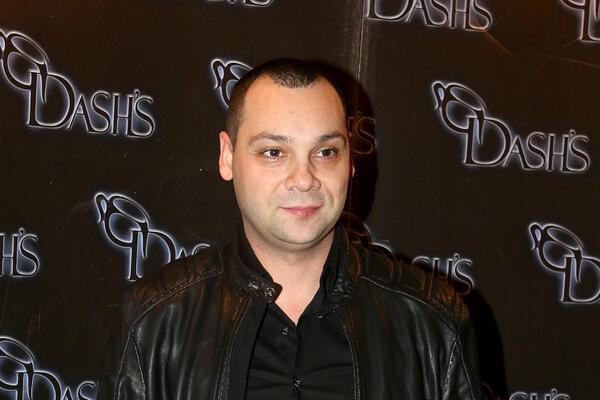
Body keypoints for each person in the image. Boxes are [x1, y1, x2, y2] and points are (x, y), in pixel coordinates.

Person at [99, 59, 482, 399]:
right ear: (227, 157)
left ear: (350, 160)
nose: (304, 178)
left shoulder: (433, 321)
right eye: (274, 152)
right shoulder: (154, 322)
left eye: (326, 152)